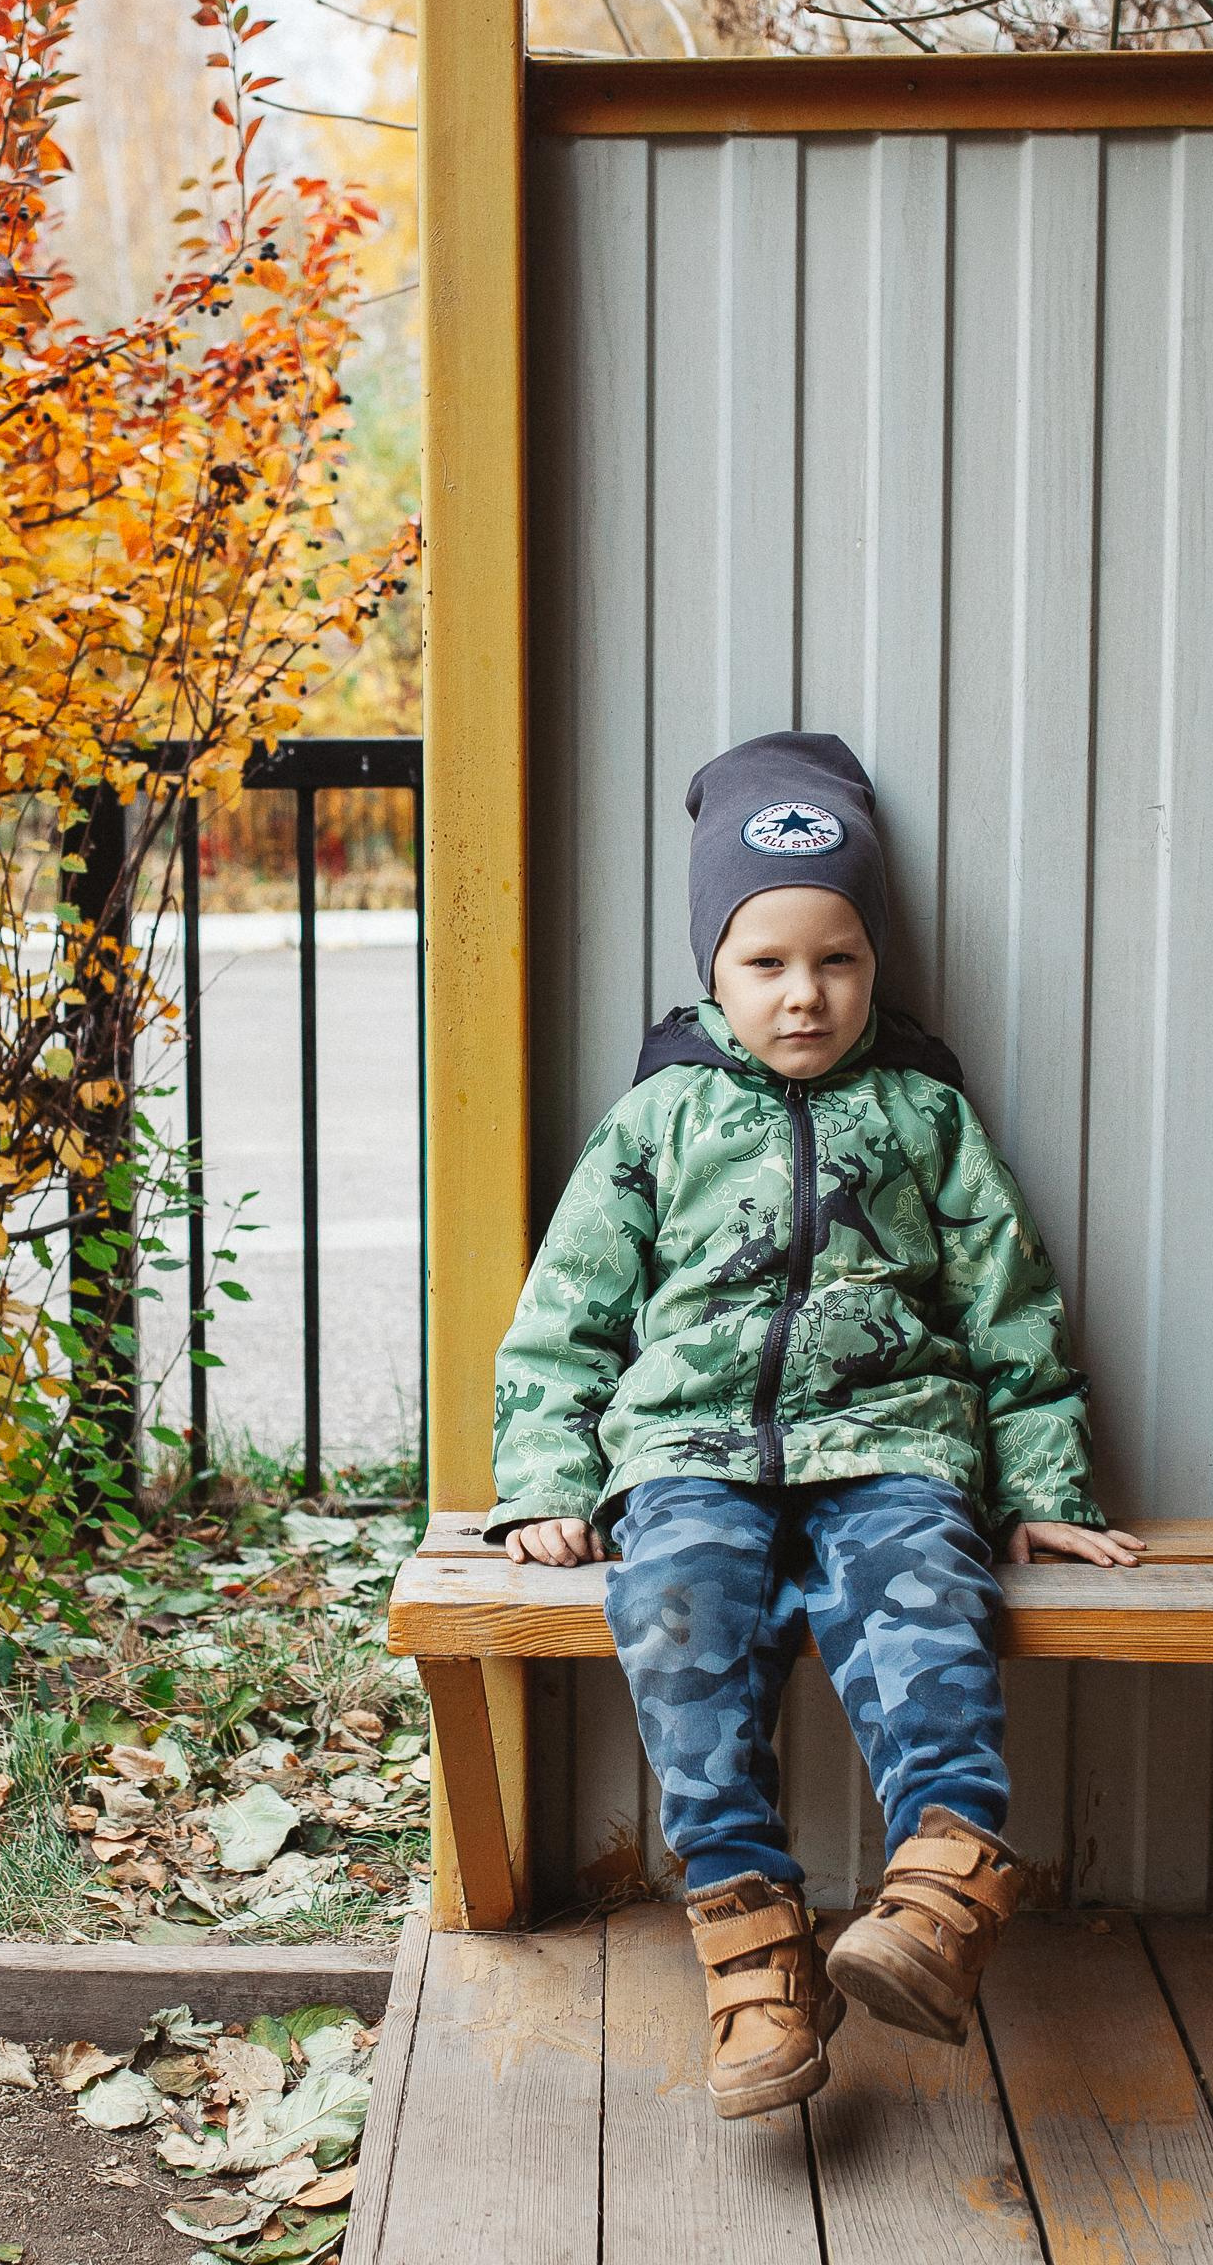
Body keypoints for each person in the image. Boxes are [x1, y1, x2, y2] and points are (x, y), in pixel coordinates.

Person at [489, 731, 1142, 2118]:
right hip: (687, 1459)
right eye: (765, 963)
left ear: (874, 961)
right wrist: (543, 1473)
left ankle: (942, 1893)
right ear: (709, 970)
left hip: (894, 1445)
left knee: (928, 1613)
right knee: (675, 1619)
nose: (803, 995)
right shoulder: (654, 1123)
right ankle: (753, 1956)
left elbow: (1008, 1310)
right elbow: (568, 1315)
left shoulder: (923, 1117)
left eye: (835, 960)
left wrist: (1044, 1485)